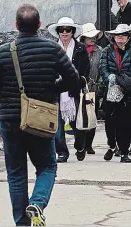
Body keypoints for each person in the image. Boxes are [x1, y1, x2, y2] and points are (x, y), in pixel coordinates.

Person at [0, 4, 79, 226]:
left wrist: (8, 96)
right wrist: (53, 88)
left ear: (16, 26)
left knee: (16, 173)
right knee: (47, 166)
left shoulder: (2, 51)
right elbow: (72, 80)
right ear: (40, 25)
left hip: (10, 120)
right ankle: (37, 202)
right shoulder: (53, 50)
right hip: (41, 118)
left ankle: (22, 223)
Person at [100, 25, 131, 163]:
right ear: (113, 37)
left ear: (128, 38)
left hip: (129, 93)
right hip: (110, 92)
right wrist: (110, 79)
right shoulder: (106, 52)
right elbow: (103, 69)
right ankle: (111, 145)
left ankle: (124, 152)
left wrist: (117, 80)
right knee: (110, 122)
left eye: (123, 36)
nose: (120, 39)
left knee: (126, 124)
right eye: (118, 36)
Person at [48, 17, 90, 163]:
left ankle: (80, 146)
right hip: (57, 90)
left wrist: (81, 80)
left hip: (74, 89)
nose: (64, 32)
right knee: (57, 124)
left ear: (73, 32)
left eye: (68, 30)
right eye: (61, 30)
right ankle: (62, 152)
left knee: (77, 123)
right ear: (58, 32)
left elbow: (85, 68)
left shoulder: (80, 48)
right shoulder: (52, 49)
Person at [78, 23, 104, 154]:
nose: (93, 38)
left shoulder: (100, 51)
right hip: (78, 89)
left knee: (92, 117)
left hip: (94, 89)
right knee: (79, 117)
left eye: (94, 36)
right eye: (90, 36)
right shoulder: (77, 51)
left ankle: (89, 144)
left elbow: (102, 69)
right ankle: (81, 144)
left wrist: (99, 84)